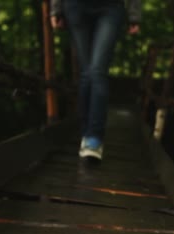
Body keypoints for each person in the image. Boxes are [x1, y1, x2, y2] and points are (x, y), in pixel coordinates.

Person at [50, 0, 141, 161]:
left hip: (111, 7)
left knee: (97, 70)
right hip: (75, 6)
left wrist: (134, 15)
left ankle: (95, 138)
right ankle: (86, 134)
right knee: (86, 73)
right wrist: (56, 9)